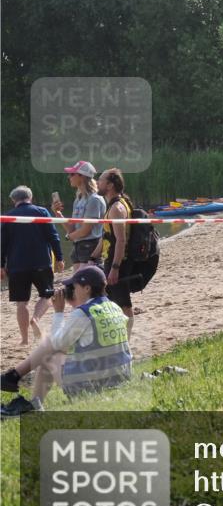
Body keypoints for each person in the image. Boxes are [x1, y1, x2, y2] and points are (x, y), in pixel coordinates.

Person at [0, 265, 130, 418]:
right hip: (120, 378)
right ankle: (15, 379)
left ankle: (26, 394)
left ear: (87, 288)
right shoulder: (114, 307)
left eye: (74, 287)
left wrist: (59, 312)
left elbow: (56, 344)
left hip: (92, 386)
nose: (72, 291)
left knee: (48, 357)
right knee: (55, 352)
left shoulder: (83, 314)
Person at [0, 186, 64, 345]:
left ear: (13, 200)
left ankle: (24, 339)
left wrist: (1, 265)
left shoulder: (7, 217)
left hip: (17, 265)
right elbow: (54, 237)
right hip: (41, 261)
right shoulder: (42, 212)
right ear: (30, 197)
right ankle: (35, 319)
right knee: (47, 294)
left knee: (21, 302)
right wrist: (60, 258)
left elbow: (2, 243)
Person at [93, 168, 138, 337]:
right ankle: (119, 336)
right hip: (110, 259)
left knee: (123, 303)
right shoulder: (112, 206)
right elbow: (107, 236)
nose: (98, 183)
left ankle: (125, 339)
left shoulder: (117, 208)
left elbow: (121, 240)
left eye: (101, 180)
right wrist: (92, 257)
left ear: (110, 185)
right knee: (112, 301)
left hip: (118, 261)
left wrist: (115, 267)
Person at [52, 160, 106, 271]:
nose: (69, 177)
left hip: (90, 247)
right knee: (78, 283)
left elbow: (86, 230)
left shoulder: (94, 199)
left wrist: (69, 237)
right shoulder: (79, 199)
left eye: (72, 174)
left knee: (85, 284)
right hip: (79, 246)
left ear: (82, 176)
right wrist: (58, 214)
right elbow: (72, 228)